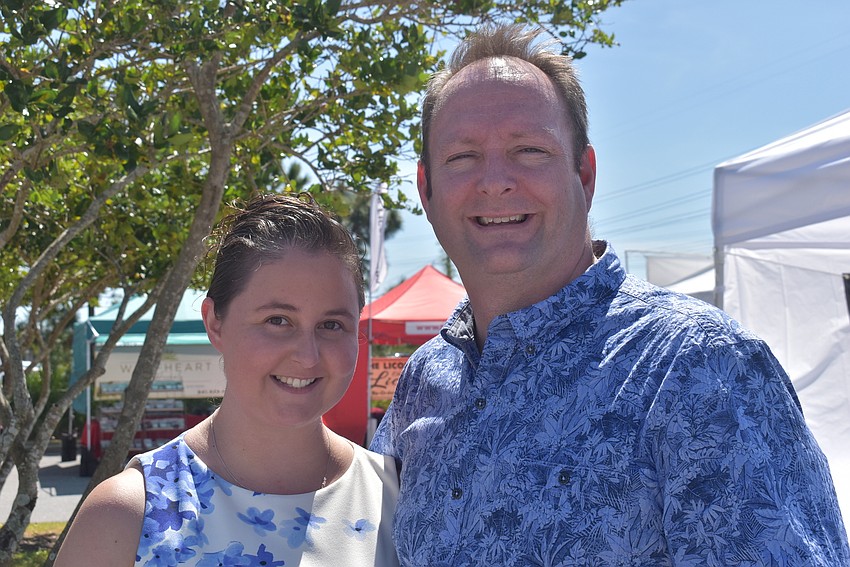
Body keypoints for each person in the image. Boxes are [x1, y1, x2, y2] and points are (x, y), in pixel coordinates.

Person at [370, 24, 850, 566]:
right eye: (462, 157)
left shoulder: (698, 369)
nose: (495, 181)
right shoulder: (425, 383)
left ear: (585, 174)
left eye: (529, 150)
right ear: (426, 190)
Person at [58, 194, 400, 566]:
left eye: (331, 325)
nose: (307, 355)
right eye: (277, 320)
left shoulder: (402, 500)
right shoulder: (126, 516)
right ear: (214, 323)